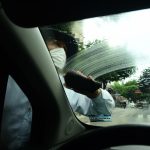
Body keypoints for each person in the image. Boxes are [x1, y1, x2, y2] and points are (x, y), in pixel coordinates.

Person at [41, 27, 115, 117]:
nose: (61, 51)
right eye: (57, 44)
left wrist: (94, 93)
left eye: (64, 49)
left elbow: (104, 114)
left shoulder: (68, 89)